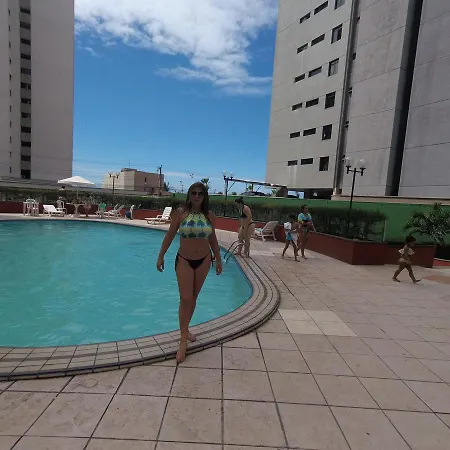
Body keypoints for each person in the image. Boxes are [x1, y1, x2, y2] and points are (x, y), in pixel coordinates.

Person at [157, 182, 223, 363]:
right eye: (194, 193)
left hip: (204, 260)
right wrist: (161, 256)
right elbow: (170, 235)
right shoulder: (181, 213)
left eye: (200, 193)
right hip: (184, 260)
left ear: (204, 196)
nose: (196, 196)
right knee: (185, 298)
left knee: (193, 298)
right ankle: (183, 340)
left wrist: (218, 259)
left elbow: (213, 238)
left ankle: (185, 330)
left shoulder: (209, 215)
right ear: (189, 194)